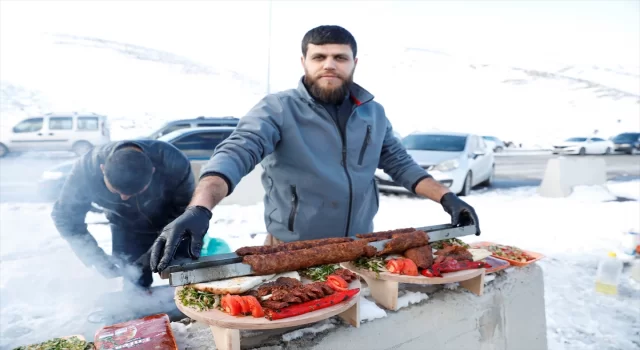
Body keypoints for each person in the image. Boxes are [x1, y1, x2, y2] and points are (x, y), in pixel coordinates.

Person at [149, 25, 480, 273]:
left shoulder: (373, 113)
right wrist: (200, 209)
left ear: (354, 62)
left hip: (360, 246)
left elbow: (401, 163)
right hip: (292, 251)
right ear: (304, 61)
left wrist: (447, 197)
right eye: (319, 57)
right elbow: (235, 153)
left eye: (340, 57)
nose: (329, 64)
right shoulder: (277, 108)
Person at [51, 140, 200, 290]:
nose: (124, 198)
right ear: (102, 169)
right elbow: (65, 217)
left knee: (186, 283)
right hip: (126, 229)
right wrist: (97, 258)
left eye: (136, 192)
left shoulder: (173, 163)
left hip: (174, 224)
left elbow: (188, 213)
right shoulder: (85, 170)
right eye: (116, 191)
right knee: (135, 284)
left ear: (153, 171)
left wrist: (159, 249)